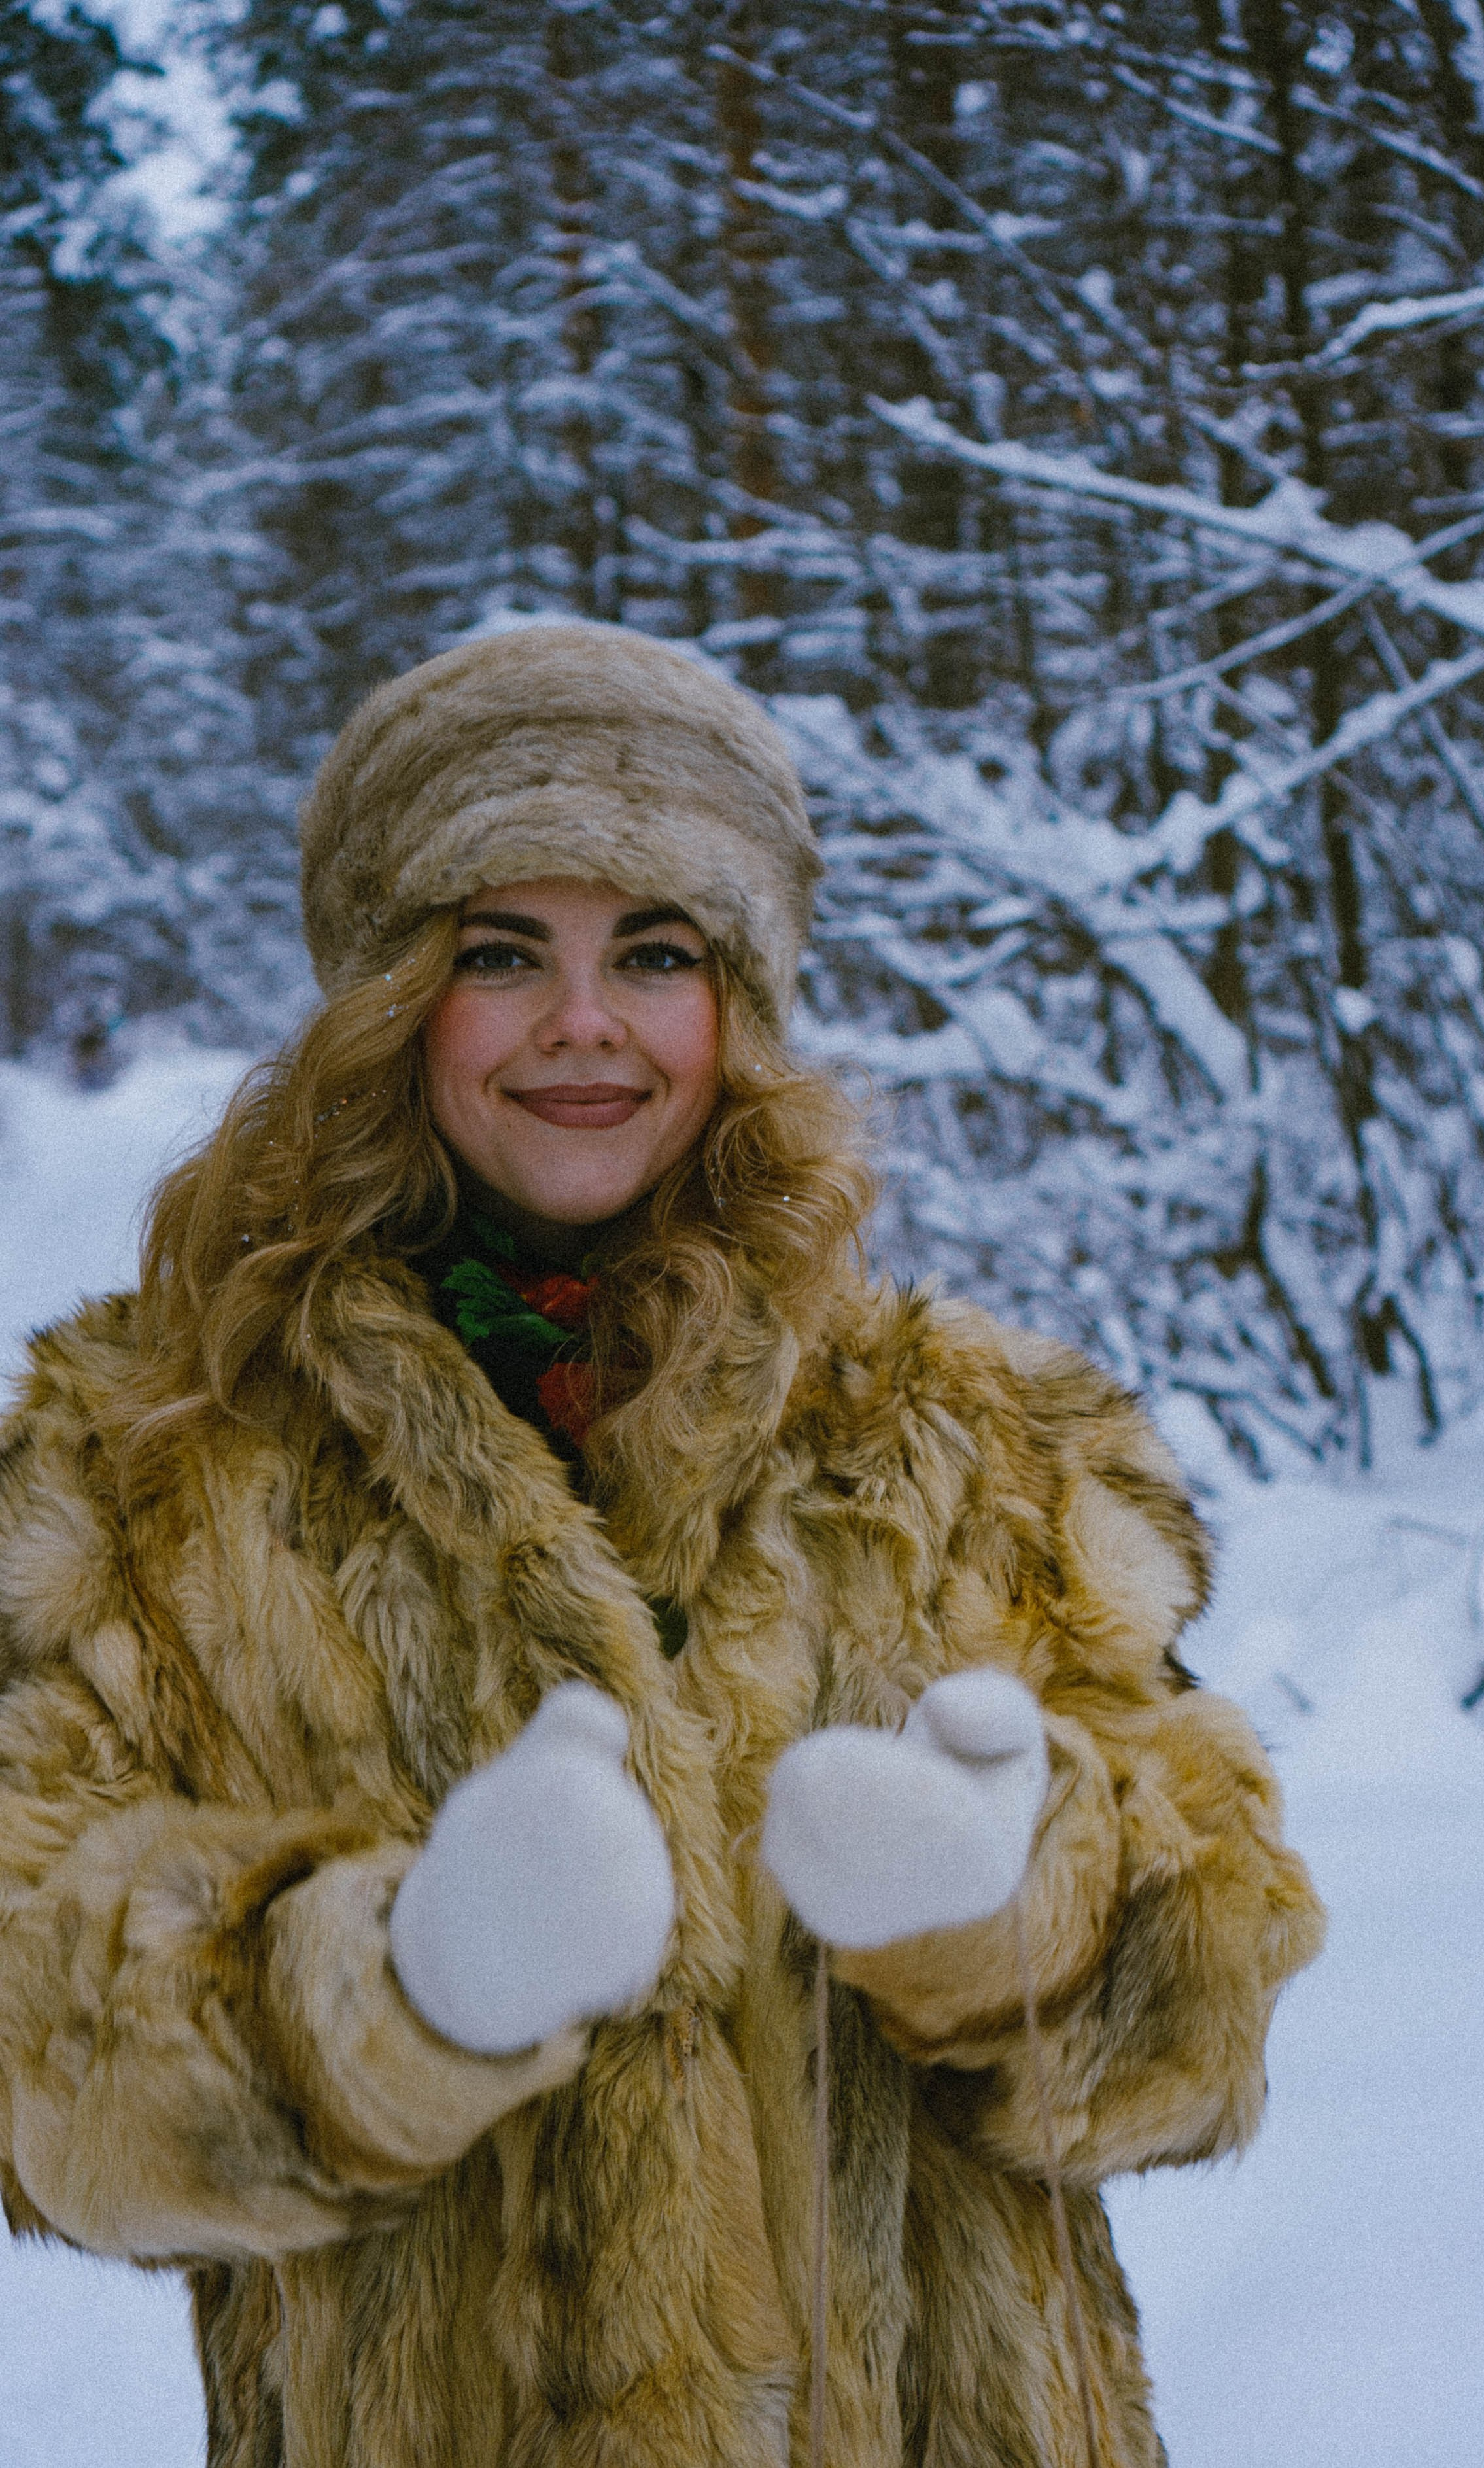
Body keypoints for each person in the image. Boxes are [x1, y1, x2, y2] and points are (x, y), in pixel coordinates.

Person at [0, 623, 1324, 2468]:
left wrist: (1008, 1901)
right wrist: (390, 1990)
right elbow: (34, 2050)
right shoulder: (145, 1464)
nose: (584, 1024)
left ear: (742, 1003)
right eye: (499, 955)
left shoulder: (965, 1437)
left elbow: (1210, 2011)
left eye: (655, 952)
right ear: (391, 995)